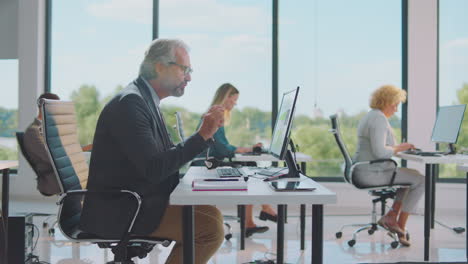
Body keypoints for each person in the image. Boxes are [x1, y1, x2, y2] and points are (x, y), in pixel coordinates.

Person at [79, 39, 225, 263]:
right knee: (210, 227)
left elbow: (160, 159)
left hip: (135, 201)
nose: (189, 78)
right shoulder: (130, 104)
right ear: (159, 66)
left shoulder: (144, 100)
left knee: (208, 213)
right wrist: (202, 135)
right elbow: (154, 168)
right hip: (124, 209)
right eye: (184, 69)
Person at [195, 83, 278, 237]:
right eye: (233, 101)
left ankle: (253, 220)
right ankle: (260, 213)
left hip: (211, 161)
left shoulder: (213, 114)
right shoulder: (215, 115)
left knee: (249, 165)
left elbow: (223, 146)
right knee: (250, 167)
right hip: (207, 164)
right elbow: (223, 149)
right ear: (225, 98)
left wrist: (246, 149)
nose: (234, 105)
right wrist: (247, 149)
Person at [353, 84, 425, 247]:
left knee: (410, 177)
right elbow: (380, 152)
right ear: (386, 102)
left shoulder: (372, 116)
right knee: (421, 180)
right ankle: (400, 226)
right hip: (371, 173)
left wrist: (398, 149)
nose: (396, 110)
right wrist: (401, 148)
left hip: (364, 170)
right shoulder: (378, 118)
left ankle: (392, 216)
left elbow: (381, 149)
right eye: (395, 104)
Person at [23, 93, 92, 196]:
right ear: (44, 107)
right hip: (53, 178)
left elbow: (65, 151)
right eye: (55, 107)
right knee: (99, 176)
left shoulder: (52, 129)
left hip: (65, 172)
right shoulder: (33, 132)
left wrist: (89, 147)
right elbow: (51, 157)